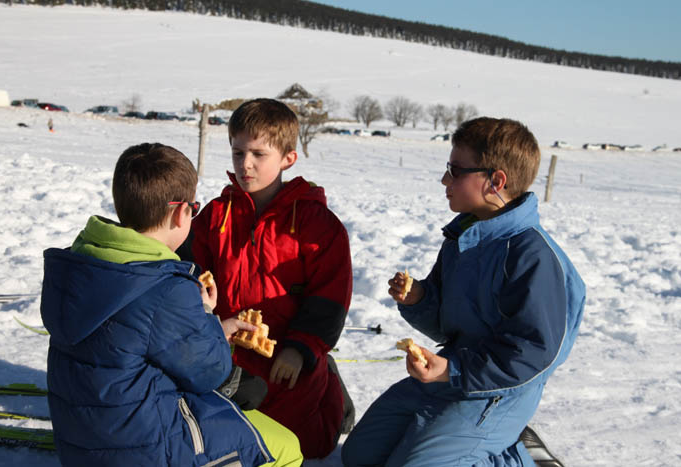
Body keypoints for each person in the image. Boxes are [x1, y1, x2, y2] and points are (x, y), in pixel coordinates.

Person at [342, 117, 586, 467]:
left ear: (496, 181)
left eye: (455, 171)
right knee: (359, 455)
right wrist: (420, 299)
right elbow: (448, 323)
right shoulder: (466, 237)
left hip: (499, 396)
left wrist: (452, 371)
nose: (445, 180)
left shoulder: (532, 257)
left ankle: (521, 457)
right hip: (452, 376)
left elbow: (532, 355)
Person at [40, 143, 303, 467]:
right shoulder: (165, 289)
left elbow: (135, 340)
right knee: (286, 448)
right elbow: (208, 373)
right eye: (194, 207)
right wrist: (207, 319)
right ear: (181, 213)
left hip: (86, 445)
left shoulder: (82, 264)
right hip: (149, 449)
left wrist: (204, 322)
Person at [189, 98, 354, 459]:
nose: (245, 164)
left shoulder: (318, 225)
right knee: (220, 436)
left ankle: (327, 384)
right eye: (237, 152)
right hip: (228, 349)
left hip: (287, 353)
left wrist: (302, 348)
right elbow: (188, 270)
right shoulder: (217, 214)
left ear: (287, 159)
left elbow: (330, 297)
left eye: (258, 154)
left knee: (305, 445)